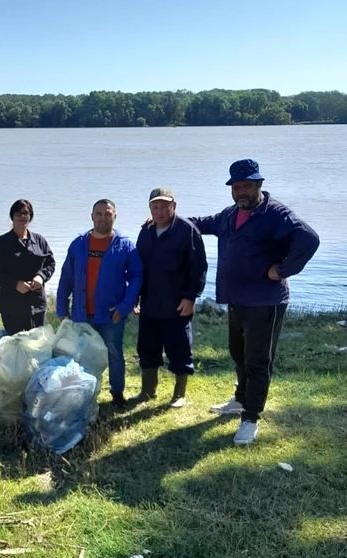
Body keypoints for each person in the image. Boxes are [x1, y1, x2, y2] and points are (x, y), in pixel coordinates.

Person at [188, 159, 319, 445]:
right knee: (238, 353)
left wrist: (282, 270)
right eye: (236, 187)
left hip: (265, 302)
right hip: (237, 299)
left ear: (259, 185)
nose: (241, 192)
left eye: (247, 186)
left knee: (258, 360)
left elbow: (309, 239)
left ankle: (250, 418)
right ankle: (240, 399)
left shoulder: (276, 214)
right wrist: (169, 218)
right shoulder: (230, 214)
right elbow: (202, 223)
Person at [56, 199, 143, 409]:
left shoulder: (125, 245)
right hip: (81, 313)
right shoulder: (78, 245)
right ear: (92, 216)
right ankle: (82, 394)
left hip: (111, 314)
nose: (103, 218)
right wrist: (61, 307)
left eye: (108, 213)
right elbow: (66, 277)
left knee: (114, 353)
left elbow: (137, 276)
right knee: (82, 355)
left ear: (115, 216)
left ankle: (117, 393)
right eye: (99, 214)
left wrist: (124, 307)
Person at [130, 188, 207, 409]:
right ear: (150, 209)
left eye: (165, 206)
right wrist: (134, 297)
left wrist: (190, 298)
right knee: (147, 348)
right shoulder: (146, 231)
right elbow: (138, 267)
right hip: (150, 304)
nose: (160, 211)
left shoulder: (187, 230)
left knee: (180, 349)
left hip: (177, 304)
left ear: (174, 206)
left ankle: (179, 394)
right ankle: (147, 391)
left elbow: (199, 267)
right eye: (155, 206)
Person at [0, 199, 56, 335]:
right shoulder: (1, 243)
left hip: (37, 305)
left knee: (37, 345)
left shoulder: (39, 241)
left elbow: (50, 263)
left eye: (26, 213)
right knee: (16, 346)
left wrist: (41, 277)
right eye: (19, 214)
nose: (23, 217)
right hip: (12, 306)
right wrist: (15, 284)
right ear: (12, 216)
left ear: (30, 216)